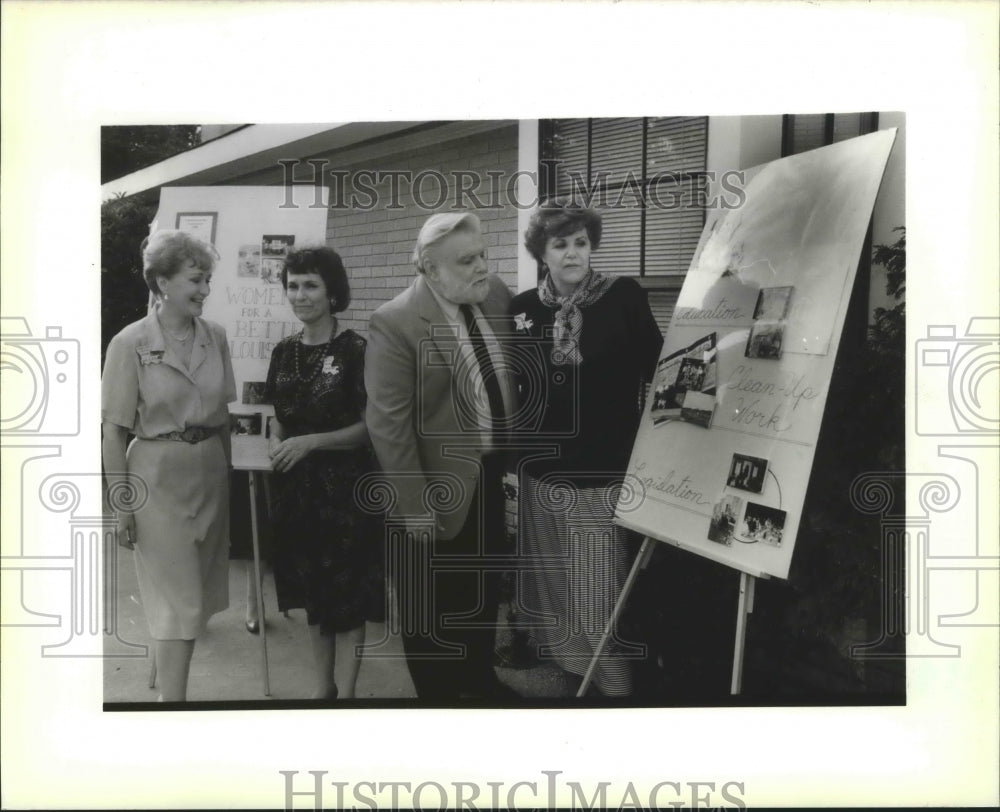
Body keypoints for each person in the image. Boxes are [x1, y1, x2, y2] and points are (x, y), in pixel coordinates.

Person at [509, 199, 663, 697]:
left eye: (581, 242)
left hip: (600, 480)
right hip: (539, 479)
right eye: (561, 244)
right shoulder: (523, 310)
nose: (573, 253)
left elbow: (661, 376)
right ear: (542, 252)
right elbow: (519, 390)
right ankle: (581, 691)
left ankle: (618, 697)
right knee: (555, 603)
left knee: (598, 607)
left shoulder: (623, 297)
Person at [364, 212, 516, 701]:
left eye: (483, 255)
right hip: (431, 489)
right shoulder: (395, 321)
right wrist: (414, 505)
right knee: (431, 613)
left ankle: (479, 684)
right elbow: (388, 424)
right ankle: (441, 704)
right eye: (467, 260)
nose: (482, 268)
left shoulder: (494, 296)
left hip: (490, 479)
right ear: (429, 268)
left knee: (481, 594)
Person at [101, 229, 236, 702]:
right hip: (154, 481)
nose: (205, 290)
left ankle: (166, 683)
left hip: (209, 475)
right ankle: (172, 707)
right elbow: (114, 433)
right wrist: (122, 508)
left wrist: (230, 480)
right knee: (182, 601)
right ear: (161, 282)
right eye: (195, 280)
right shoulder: (129, 343)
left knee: (191, 595)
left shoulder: (215, 337)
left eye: (207, 280)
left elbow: (222, 419)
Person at [265, 246, 384, 700]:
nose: (300, 294)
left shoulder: (356, 351)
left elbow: (370, 427)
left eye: (310, 285)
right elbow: (280, 415)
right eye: (292, 285)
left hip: (346, 495)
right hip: (296, 493)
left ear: (333, 291)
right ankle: (323, 690)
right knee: (315, 599)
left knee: (348, 602)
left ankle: (348, 694)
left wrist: (311, 442)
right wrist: (278, 440)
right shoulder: (282, 351)